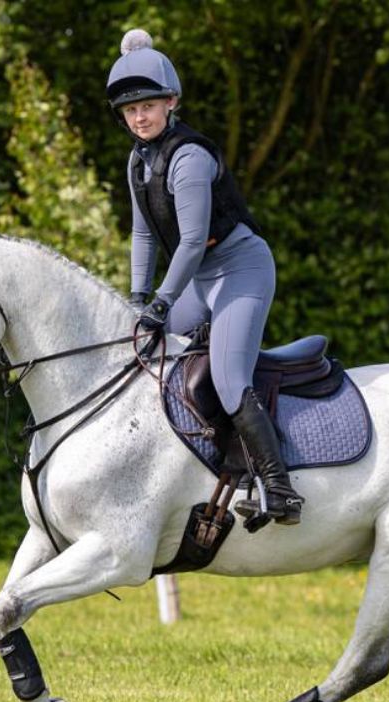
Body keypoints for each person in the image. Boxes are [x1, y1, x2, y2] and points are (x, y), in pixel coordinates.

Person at [106, 29, 303, 526]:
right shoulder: (137, 160)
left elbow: (192, 242)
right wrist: (137, 300)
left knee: (228, 376)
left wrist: (162, 302)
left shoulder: (189, 156)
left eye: (148, 106)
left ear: (171, 102)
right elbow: (143, 235)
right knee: (151, 357)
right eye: (130, 111)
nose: (139, 118)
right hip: (198, 279)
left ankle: (280, 488)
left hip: (240, 269)